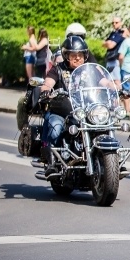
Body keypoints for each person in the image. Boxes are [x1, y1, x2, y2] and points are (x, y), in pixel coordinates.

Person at [38, 36, 91, 177]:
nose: (78, 58)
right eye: (74, 55)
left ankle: (114, 159)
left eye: (80, 55)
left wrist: (115, 87)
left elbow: (104, 81)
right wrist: (46, 90)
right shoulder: (58, 69)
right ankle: (52, 163)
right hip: (62, 110)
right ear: (67, 56)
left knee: (104, 124)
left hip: (85, 110)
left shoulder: (89, 70)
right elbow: (48, 83)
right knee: (55, 128)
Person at [103, 16, 126, 86]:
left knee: (117, 81)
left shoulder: (121, 33)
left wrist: (108, 43)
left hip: (116, 59)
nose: (114, 24)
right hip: (110, 58)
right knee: (109, 81)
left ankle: (119, 92)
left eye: (116, 22)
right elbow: (103, 43)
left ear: (121, 23)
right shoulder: (113, 33)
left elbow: (111, 45)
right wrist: (108, 43)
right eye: (113, 23)